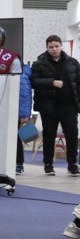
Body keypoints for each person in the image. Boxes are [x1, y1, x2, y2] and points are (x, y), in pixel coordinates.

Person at [31, 34, 80, 176]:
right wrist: (51, 82)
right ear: (47, 48)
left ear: (61, 46)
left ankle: (72, 164)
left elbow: (78, 84)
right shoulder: (39, 63)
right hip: (48, 105)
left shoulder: (72, 63)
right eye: (51, 47)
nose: (54, 49)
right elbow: (34, 82)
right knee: (49, 135)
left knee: (72, 133)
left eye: (56, 46)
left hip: (68, 105)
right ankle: (48, 164)